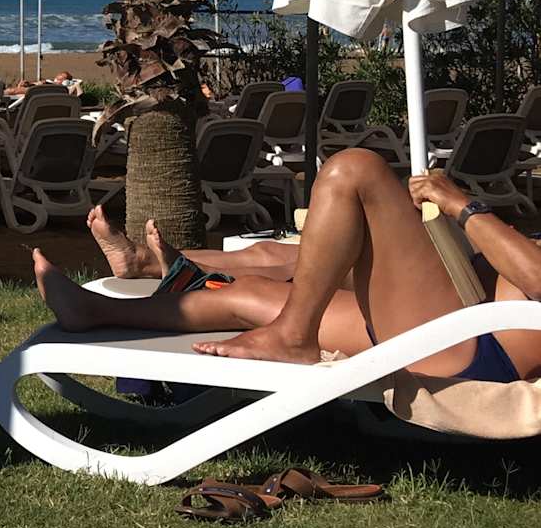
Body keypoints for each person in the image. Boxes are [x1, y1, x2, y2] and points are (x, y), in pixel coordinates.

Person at [35, 151, 541, 382]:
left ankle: (294, 338)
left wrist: (462, 206)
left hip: (478, 350)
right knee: (252, 291)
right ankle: (94, 312)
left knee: (354, 171)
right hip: (461, 316)